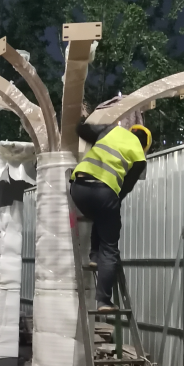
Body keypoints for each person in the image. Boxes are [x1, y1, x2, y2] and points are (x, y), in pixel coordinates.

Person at [69, 121, 152, 312]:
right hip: (104, 192)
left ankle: (94, 256)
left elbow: (81, 129)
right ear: (145, 145)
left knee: (100, 217)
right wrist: (112, 202)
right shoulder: (139, 157)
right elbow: (125, 188)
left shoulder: (111, 131)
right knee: (110, 246)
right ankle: (103, 301)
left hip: (78, 188)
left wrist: (97, 135)